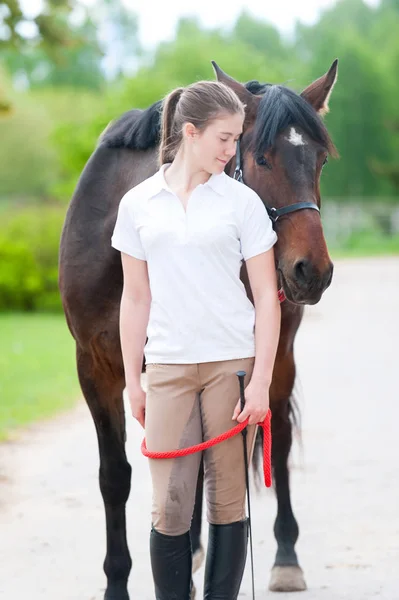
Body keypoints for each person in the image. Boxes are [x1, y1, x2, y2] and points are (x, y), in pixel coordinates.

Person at [111, 80, 281, 600]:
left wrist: (260, 384)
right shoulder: (138, 204)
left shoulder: (242, 203)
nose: (232, 151)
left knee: (228, 501)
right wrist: (132, 382)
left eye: (236, 140)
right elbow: (135, 298)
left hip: (231, 367)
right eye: (224, 139)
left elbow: (267, 298)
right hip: (166, 369)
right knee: (169, 506)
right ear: (190, 132)